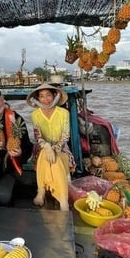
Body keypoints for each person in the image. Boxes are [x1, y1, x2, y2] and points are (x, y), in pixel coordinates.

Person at [26, 83, 76, 211]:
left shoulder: (63, 113)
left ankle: (60, 199)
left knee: (57, 159)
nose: (46, 99)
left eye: (48, 95)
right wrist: (47, 146)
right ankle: (43, 193)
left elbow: (66, 135)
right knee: (44, 155)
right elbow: (38, 136)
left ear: (55, 96)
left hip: (62, 147)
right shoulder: (35, 115)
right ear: (38, 99)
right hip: (42, 147)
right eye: (42, 96)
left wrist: (56, 148)